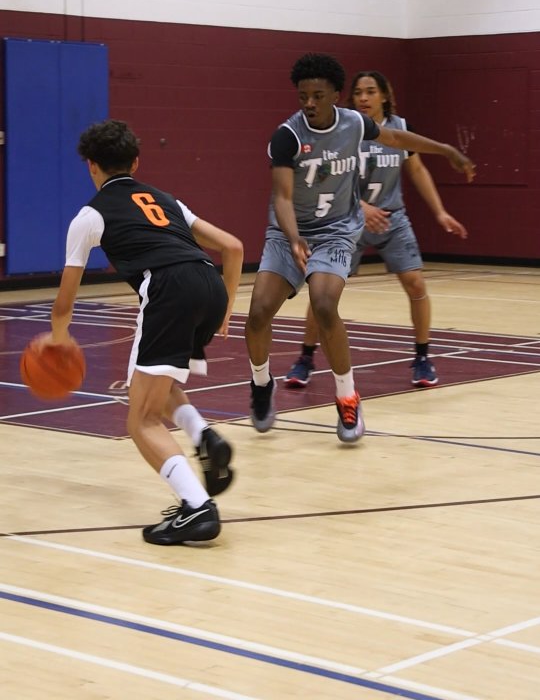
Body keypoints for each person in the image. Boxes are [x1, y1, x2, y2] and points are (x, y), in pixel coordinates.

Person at [246, 54, 475, 444]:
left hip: (336, 230)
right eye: (303, 96)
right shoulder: (287, 135)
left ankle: (347, 396)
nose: (310, 103)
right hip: (289, 233)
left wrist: (446, 150)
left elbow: (398, 139)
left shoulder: (353, 124)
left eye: (318, 95)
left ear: (336, 95)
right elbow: (282, 197)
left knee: (323, 303)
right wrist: (295, 237)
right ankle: (261, 384)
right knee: (257, 313)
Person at [45, 119, 243, 546]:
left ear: (90, 166)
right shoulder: (167, 200)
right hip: (207, 283)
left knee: (141, 419)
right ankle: (204, 437)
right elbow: (232, 247)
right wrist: (225, 307)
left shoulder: (90, 215)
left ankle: (197, 508)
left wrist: (58, 337)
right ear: (136, 162)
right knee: (152, 381)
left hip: (169, 289)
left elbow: (65, 300)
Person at [285, 70, 469, 390]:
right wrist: (361, 207)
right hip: (347, 220)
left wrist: (439, 212)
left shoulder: (400, 129)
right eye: (358, 93)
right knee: (323, 293)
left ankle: (423, 358)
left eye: (370, 92)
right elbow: (329, 178)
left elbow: (417, 169)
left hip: (392, 218)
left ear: (384, 95)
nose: (364, 98)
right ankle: (305, 358)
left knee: (415, 284)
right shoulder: (344, 129)